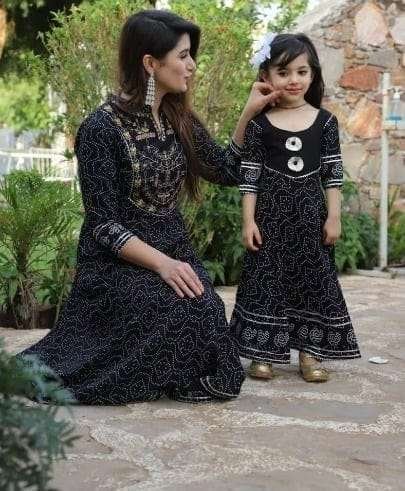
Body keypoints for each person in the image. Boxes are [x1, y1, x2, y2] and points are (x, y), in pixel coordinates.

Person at [19, 10, 279, 404]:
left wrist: (248, 113)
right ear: (150, 63)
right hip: (116, 263)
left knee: (205, 313)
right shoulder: (100, 129)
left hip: (173, 248)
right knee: (167, 310)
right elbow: (103, 225)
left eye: (191, 56)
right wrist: (163, 265)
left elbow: (225, 169)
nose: (192, 66)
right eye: (183, 56)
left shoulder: (178, 117)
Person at [230, 33, 361, 383]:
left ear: (313, 75)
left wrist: (334, 217)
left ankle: (310, 353)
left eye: (302, 72)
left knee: (313, 283)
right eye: (283, 72)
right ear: (266, 76)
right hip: (269, 223)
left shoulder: (325, 122)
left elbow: (333, 173)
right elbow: (249, 176)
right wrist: (248, 221)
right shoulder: (259, 125)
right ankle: (262, 353)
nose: (294, 80)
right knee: (265, 282)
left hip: (311, 223)